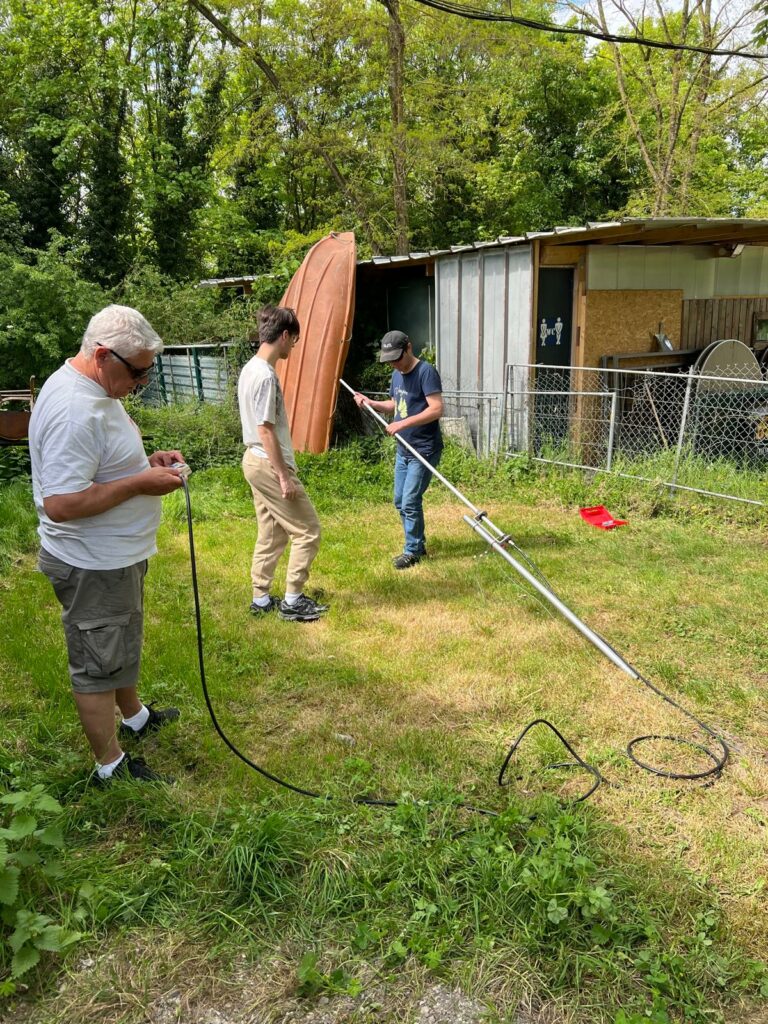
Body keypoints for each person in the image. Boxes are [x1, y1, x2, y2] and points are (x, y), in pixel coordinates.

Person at [28, 304, 186, 784]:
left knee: (119, 641)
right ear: (102, 355)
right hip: (92, 564)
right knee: (98, 661)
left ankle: (134, 716)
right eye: (137, 372)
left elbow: (98, 464)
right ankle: (110, 765)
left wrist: (144, 464)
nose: (143, 381)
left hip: (115, 557)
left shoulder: (96, 389)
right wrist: (140, 484)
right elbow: (61, 503)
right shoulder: (74, 410)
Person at [238, 305, 328, 622]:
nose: (293, 347)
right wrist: (283, 477)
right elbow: (265, 429)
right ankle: (293, 601)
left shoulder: (250, 368)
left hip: (253, 460)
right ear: (285, 336)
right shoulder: (265, 375)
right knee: (308, 531)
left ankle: (261, 599)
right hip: (267, 463)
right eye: (295, 340)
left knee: (273, 532)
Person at [354, 330, 444, 569]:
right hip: (404, 449)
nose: (394, 364)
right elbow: (395, 404)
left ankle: (412, 551)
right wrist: (371, 403)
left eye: (397, 358)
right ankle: (417, 544)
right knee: (399, 501)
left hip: (423, 449)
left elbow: (436, 409)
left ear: (408, 348)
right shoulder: (396, 374)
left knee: (410, 501)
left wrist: (402, 424)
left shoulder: (426, 372)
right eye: (390, 360)